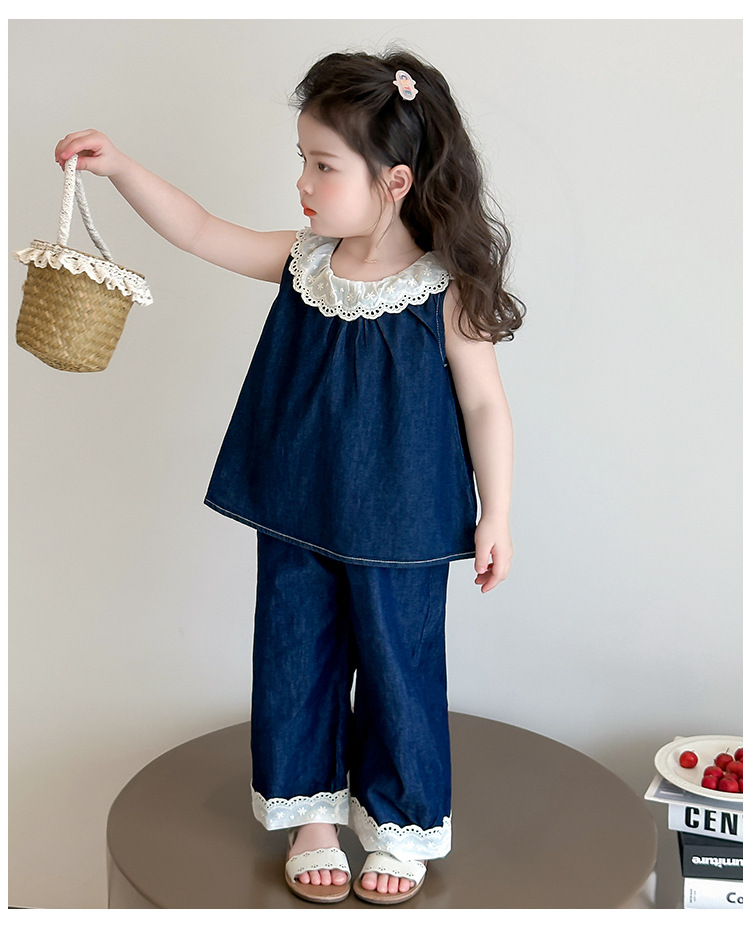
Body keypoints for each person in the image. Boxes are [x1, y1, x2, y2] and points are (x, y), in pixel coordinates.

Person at [55, 48, 524, 906]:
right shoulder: (306, 262)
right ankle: (310, 813)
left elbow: (485, 403)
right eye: (302, 160)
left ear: (394, 181)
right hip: (298, 504)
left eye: (323, 165)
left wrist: (496, 512)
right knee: (294, 654)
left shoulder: (444, 289)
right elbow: (200, 230)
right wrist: (119, 167)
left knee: (399, 666)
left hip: (404, 519)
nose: (303, 183)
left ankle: (399, 822)